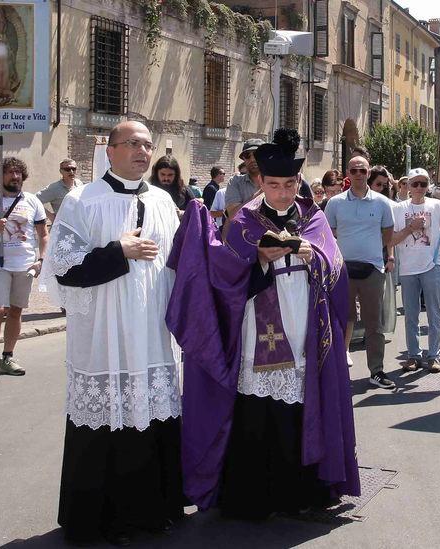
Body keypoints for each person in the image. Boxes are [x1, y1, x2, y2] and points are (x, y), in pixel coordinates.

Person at [167, 127, 360, 520]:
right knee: (257, 410)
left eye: (290, 184)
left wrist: (313, 257)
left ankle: (299, 493)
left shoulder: (314, 218)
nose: (284, 193)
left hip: (303, 326)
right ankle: (255, 495)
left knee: (299, 405)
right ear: (261, 183)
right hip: (258, 328)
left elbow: (336, 270)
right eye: (274, 185)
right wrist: (257, 260)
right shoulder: (244, 223)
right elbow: (223, 278)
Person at [39, 121, 184, 545]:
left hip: (152, 331)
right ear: (111, 150)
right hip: (105, 333)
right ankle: (101, 519)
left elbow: (178, 265)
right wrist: (118, 251)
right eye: (133, 144)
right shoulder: (83, 201)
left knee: (152, 414)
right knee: (106, 418)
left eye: (147, 144)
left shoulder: (162, 200)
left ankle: (155, 511)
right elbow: (64, 269)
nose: (142, 151)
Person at [0, 157, 48, 382]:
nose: (15, 177)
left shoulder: (33, 201)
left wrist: (42, 259)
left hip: (25, 264)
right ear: (0, 177)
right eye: (10, 173)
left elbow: (43, 234)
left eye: (18, 173)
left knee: (16, 312)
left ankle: (7, 357)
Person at [324, 157, 396, 389]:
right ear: (348, 173)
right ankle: (335, 369)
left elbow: (387, 234)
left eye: (362, 170)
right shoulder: (334, 203)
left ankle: (377, 371)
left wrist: (376, 255)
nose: (358, 174)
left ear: (368, 172)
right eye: (354, 170)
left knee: (374, 324)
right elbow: (328, 233)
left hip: (372, 270)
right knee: (342, 320)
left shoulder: (382, 203)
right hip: (343, 269)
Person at [391, 168, 440, 372]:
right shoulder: (399, 208)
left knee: (433, 312)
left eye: (423, 183)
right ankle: (413, 355)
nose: (419, 188)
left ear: (428, 186)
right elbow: (392, 240)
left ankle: (434, 356)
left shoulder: (437, 205)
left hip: (433, 264)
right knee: (411, 314)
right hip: (409, 267)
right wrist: (410, 228)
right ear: (408, 186)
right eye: (415, 184)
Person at [225, 138, 265, 217]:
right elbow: (233, 215)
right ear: (244, 159)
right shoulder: (236, 181)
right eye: (247, 156)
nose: (252, 159)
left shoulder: (277, 181)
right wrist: (260, 193)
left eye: (257, 154)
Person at [37, 158, 83, 223]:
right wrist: (50, 216)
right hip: (62, 228)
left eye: (74, 169)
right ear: (61, 171)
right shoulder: (54, 188)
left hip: (78, 226)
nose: (71, 172)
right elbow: (35, 200)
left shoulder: (79, 184)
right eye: (67, 169)